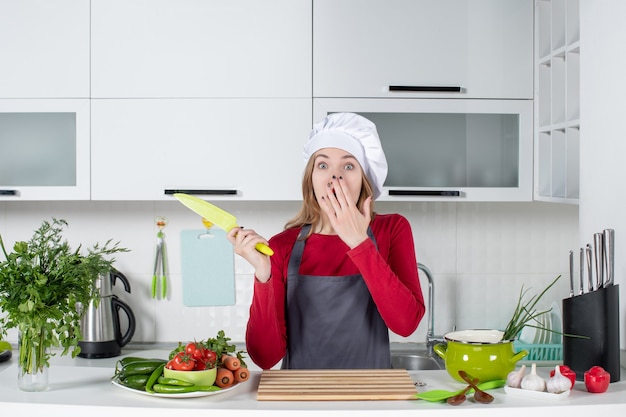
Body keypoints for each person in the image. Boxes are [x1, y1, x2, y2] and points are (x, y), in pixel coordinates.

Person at [227, 112, 425, 370]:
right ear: (311, 178)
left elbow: (406, 325)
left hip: (371, 398)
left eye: (349, 165)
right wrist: (264, 275)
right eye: (323, 165)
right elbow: (265, 358)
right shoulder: (281, 246)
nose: (335, 177)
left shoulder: (392, 229)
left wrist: (359, 243)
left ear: (364, 179)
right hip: (302, 400)